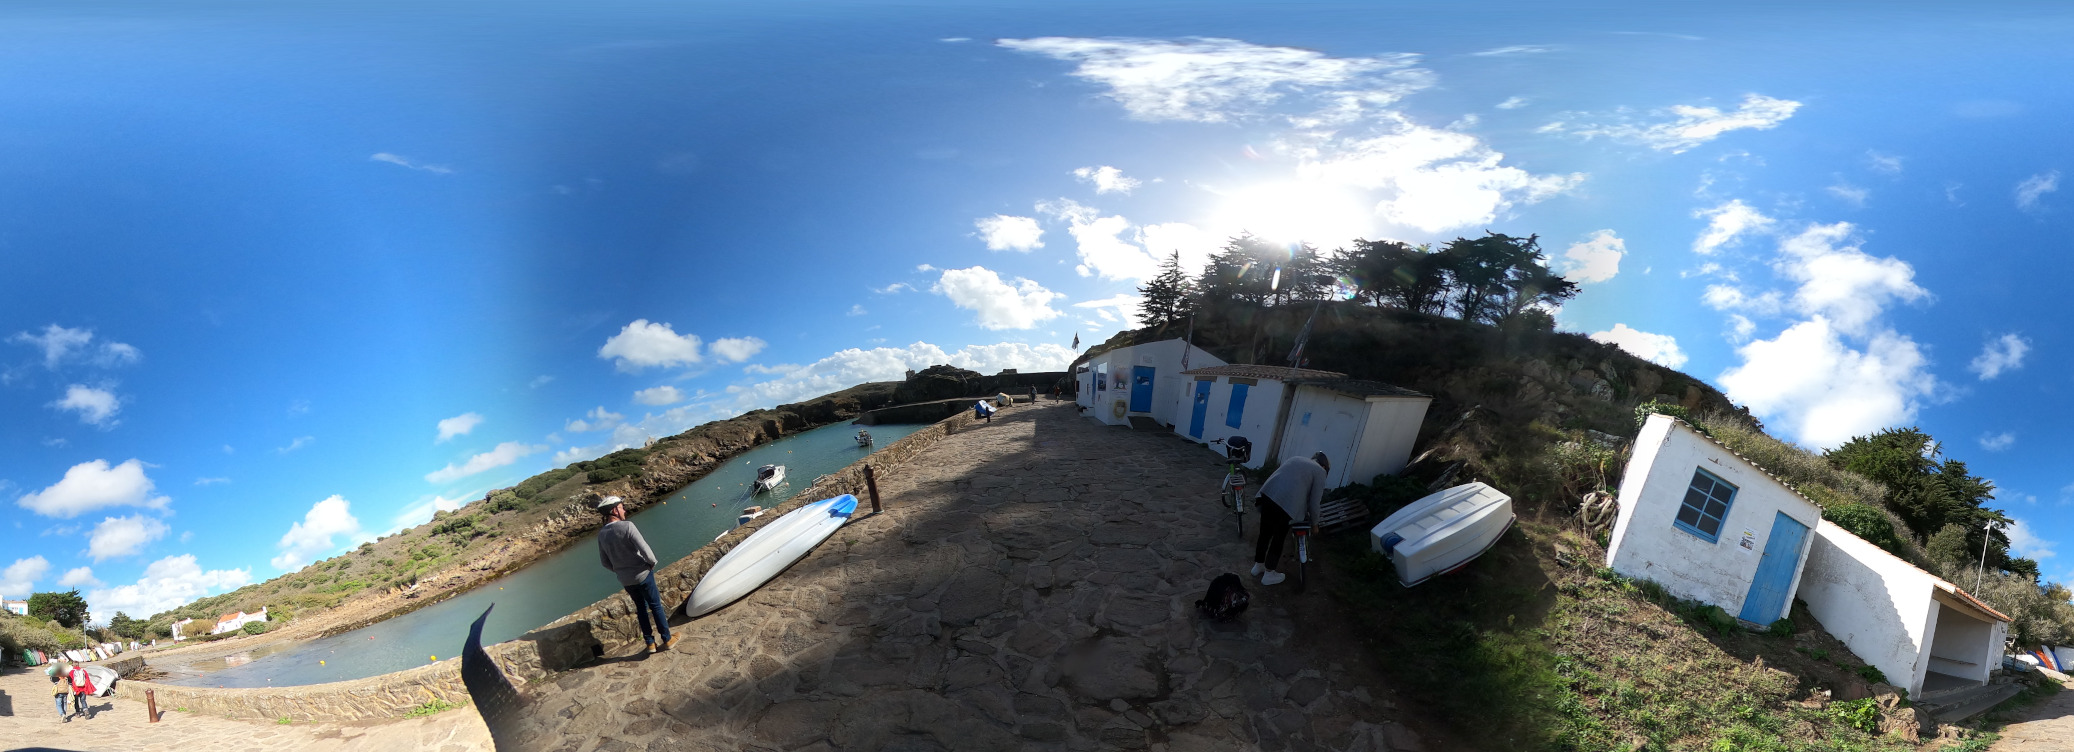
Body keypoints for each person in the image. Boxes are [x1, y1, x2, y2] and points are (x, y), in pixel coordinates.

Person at [596, 495, 677, 652]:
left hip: (626, 580)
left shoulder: (601, 535)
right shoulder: (627, 526)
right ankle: (667, 639)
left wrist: (620, 570)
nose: (624, 509)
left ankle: (650, 643)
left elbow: (605, 562)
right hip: (643, 574)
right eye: (621, 507)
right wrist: (650, 564)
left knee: (640, 609)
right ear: (614, 510)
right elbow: (647, 552)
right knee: (655, 606)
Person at [1251, 452, 1330, 586]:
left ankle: (1258, 566)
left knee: (1265, 533)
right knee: (1278, 537)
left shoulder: (1297, 458)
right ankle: (1269, 574)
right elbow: (1314, 503)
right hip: (1286, 505)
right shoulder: (1320, 472)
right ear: (1324, 466)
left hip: (1268, 494)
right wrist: (1315, 524)